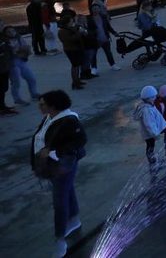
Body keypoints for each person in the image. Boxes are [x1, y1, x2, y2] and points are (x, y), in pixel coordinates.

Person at [30, 90, 87, 258]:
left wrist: (54, 150)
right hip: (55, 165)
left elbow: (80, 140)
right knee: (67, 191)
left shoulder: (69, 120)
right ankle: (74, 220)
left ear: (53, 106)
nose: (39, 106)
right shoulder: (50, 117)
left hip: (62, 165)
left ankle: (60, 239)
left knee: (59, 201)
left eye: (42, 104)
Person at [4, 25, 39, 104]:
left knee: (31, 78)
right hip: (12, 63)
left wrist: (22, 51)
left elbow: (25, 47)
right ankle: (17, 99)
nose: (11, 33)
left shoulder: (19, 38)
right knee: (16, 82)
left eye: (12, 31)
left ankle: (34, 93)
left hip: (21, 61)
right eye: (8, 32)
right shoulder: (5, 41)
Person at [133, 86, 166, 164]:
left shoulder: (149, 105)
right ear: (148, 98)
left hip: (148, 133)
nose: (155, 98)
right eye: (153, 97)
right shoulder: (147, 110)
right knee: (150, 146)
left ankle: (152, 158)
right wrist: (155, 134)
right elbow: (149, 124)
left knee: (151, 145)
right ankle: (151, 159)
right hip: (149, 133)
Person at [86, 4, 120, 74]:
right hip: (95, 40)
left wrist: (114, 33)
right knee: (93, 54)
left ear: (99, 9)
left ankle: (113, 65)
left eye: (97, 8)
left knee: (108, 53)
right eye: (94, 8)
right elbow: (88, 29)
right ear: (91, 10)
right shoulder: (89, 19)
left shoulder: (103, 17)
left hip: (105, 38)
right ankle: (94, 68)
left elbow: (108, 26)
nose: (95, 10)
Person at [57, 14, 86, 90]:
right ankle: (75, 83)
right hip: (71, 49)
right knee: (75, 66)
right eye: (71, 21)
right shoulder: (63, 31)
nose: (72, 22)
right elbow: (71, 39)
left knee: (76, 65)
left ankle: (77, 81)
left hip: (74, 48)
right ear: (67, 22)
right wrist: (80, 32)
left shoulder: (67, 28)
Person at [1, 20, 18, 115]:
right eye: (1, 25)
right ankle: (2, 108)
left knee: (4, 87)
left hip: (5, 66)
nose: (3, 26)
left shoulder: (3, 37)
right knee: (2, 87)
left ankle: (2, 106)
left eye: (3, 24)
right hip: (2, 66)